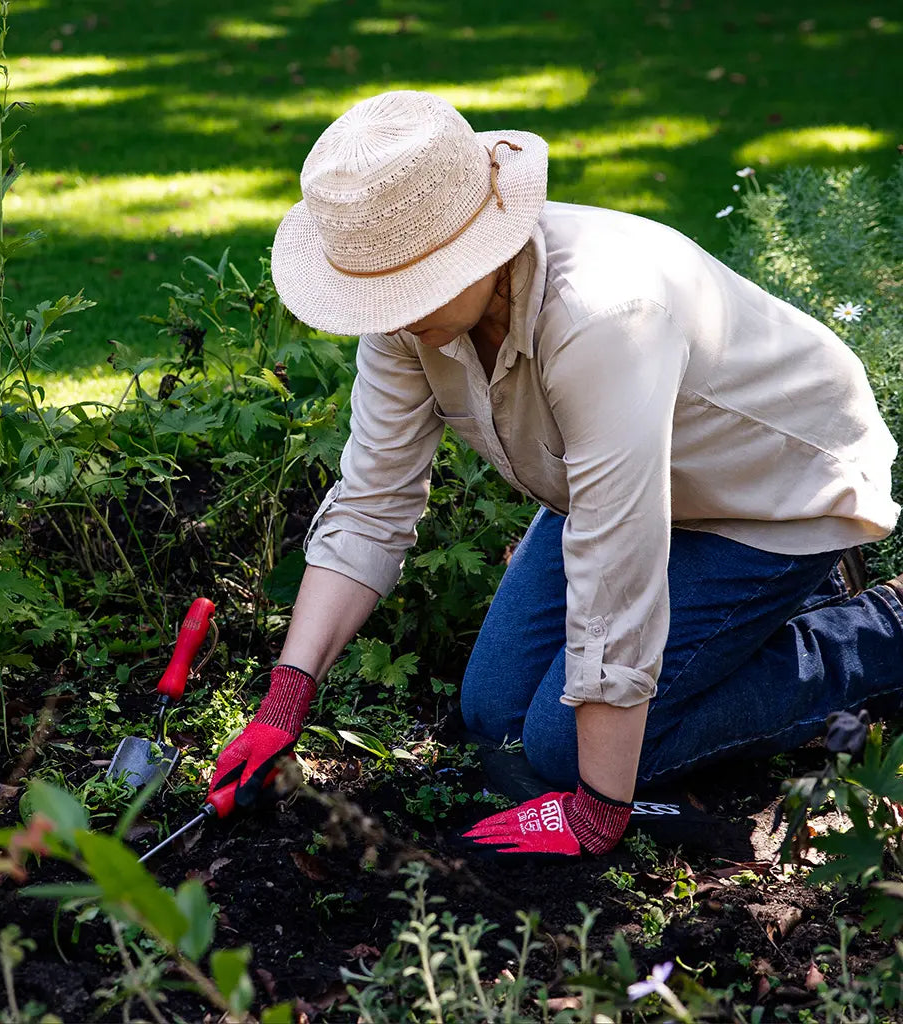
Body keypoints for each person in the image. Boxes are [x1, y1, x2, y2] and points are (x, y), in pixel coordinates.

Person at [206, 91, 902, 858]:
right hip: (634, 492)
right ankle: (726, 636)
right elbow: (373, 501)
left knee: (566, 754)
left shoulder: (603, 317)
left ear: (482, 244)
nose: (397, 317)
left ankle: (874, 638)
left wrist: (600, 808)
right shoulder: (412, 321)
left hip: (774, 493)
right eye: (380, 295)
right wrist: (285, 700)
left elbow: (616, 568)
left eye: (413, 288)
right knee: (495, 718)